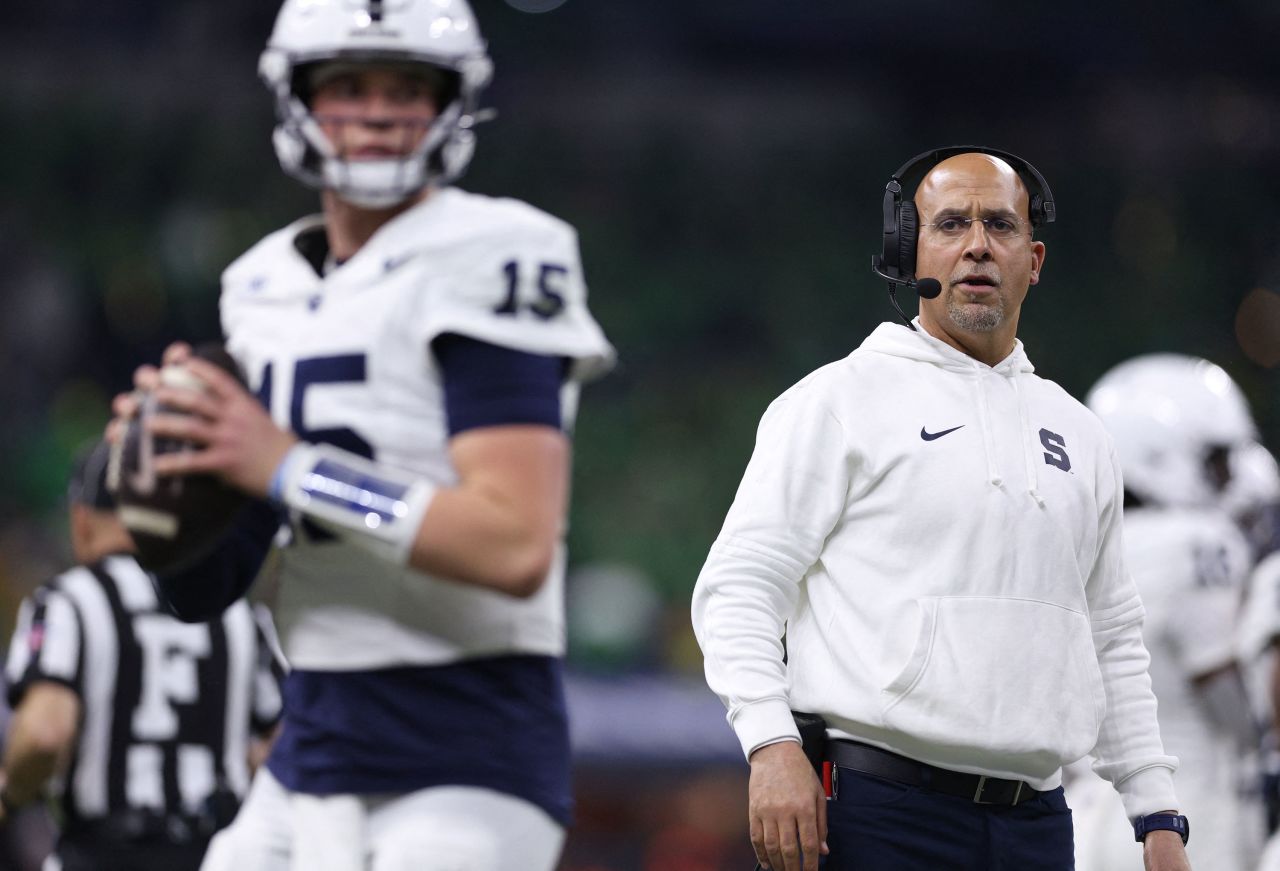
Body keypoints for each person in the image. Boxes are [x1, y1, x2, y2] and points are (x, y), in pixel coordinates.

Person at [110, 0, 613, 869]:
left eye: (407, 87)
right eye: (347, 85)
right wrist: (170, 471)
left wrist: (287, 464)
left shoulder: (496, 250)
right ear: (298, 100)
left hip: (465, 747)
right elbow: (207, 585)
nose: (377, 110)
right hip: (311, 740)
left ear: (453, 104)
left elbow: (512, 543)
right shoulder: (258, 284)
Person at [690, 147, 1191, 871]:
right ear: (907, 251)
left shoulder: (1082, 433)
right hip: (877, 809)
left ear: (1035, 258)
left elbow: (1111, 632)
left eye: (1001, 225)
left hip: (1039, 821)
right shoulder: (836, 401)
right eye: (952, 223)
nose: (979, 245)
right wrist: (771, 744)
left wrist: (1156, 810)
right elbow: (741, 587)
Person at [1, 441, 282, 871]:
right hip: (218, 854)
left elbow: (45, 733)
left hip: (102, 852)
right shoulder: (237, 613)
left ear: (82, 520)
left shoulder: (69, 602)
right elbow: (283, 743)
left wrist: (11, 794)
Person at [1065, 354, 1262, 871]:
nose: (1230, 477)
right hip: (1185, 808)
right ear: (1156, 453)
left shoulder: (1081, 537)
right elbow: (1225, 695)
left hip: (1086, 809)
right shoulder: (1197, 541)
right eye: (1216, 460)